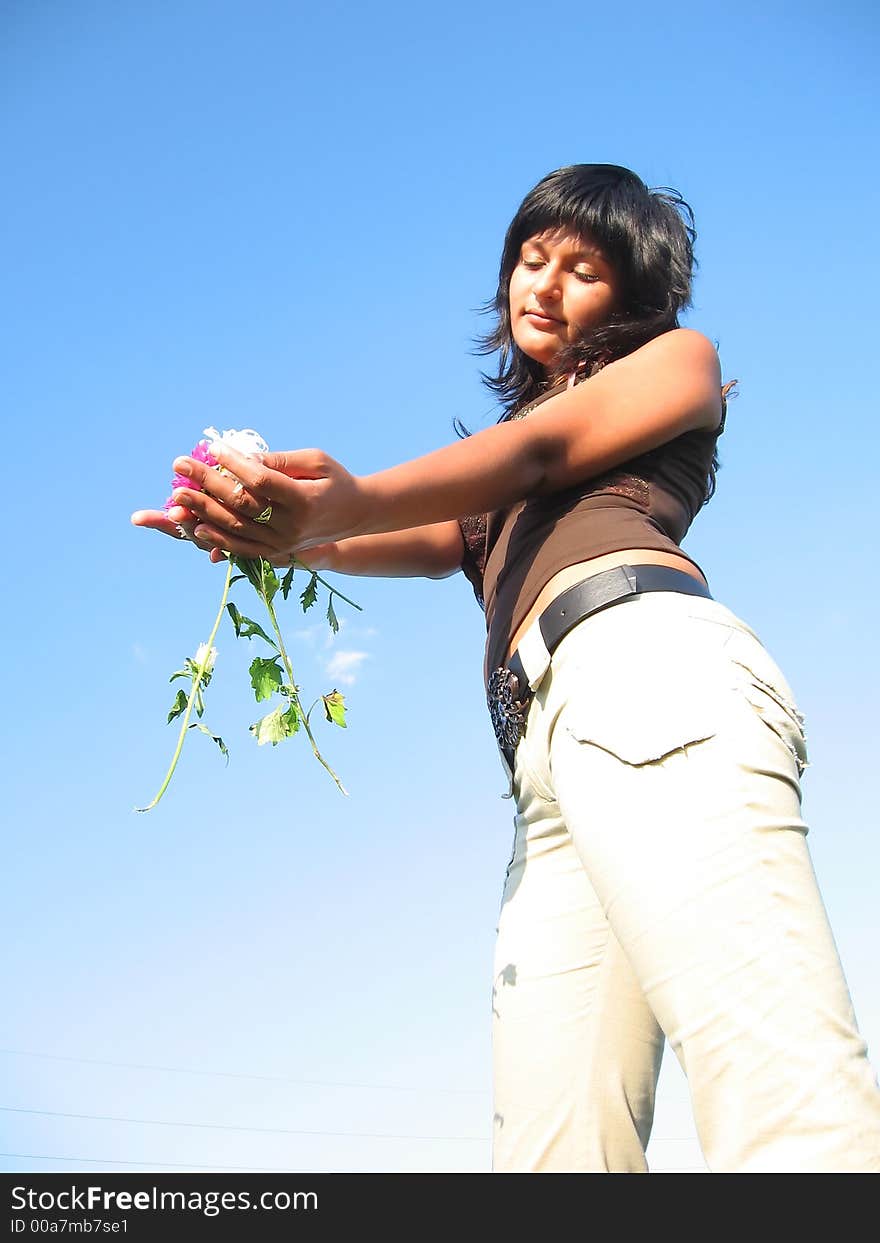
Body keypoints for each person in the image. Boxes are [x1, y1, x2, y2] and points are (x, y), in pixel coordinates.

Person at [133, 164, 880, 1172]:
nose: (543, 284)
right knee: (550, 1156)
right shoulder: (494, 465)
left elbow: (535, 455)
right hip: (543, 764)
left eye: (583, 269)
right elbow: (408, 532)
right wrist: (261, 521)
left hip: (645, 673)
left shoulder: (679, 362)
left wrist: (345, 503)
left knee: (775, 1087)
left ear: (636, 297)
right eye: (531, 259)